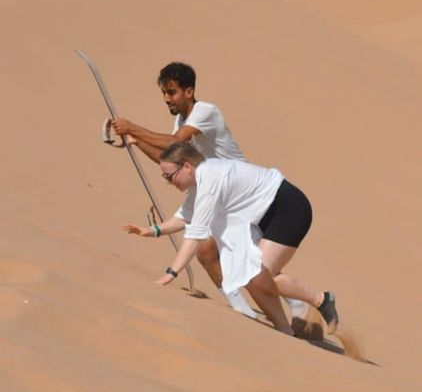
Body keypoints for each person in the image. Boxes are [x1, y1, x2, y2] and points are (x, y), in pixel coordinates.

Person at [123, 141, 339, 336]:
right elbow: (184, 217)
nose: (169, 182)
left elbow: (196, 233)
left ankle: (319, 300)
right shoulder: (200, 183)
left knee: (254, 274)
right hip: (263, 216)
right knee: (250, 276)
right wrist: (152, 231)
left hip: (289, 208)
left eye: (170, 176)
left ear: (187, 166)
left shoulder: (210, 178)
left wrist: (170, 274)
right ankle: (287, 329)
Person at [109, 62, 258, 318]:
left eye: (172, 92)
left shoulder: (205, 111)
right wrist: (136, 141)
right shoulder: (181, 119)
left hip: (239, 192)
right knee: (206, 249)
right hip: (213, 191)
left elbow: (176, 142)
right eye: (164, 94)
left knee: (254, 259)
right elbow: (168, 157)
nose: (167, 99)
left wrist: (133, 127)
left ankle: (301, 304)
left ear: (189, 92)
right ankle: (243, 311)